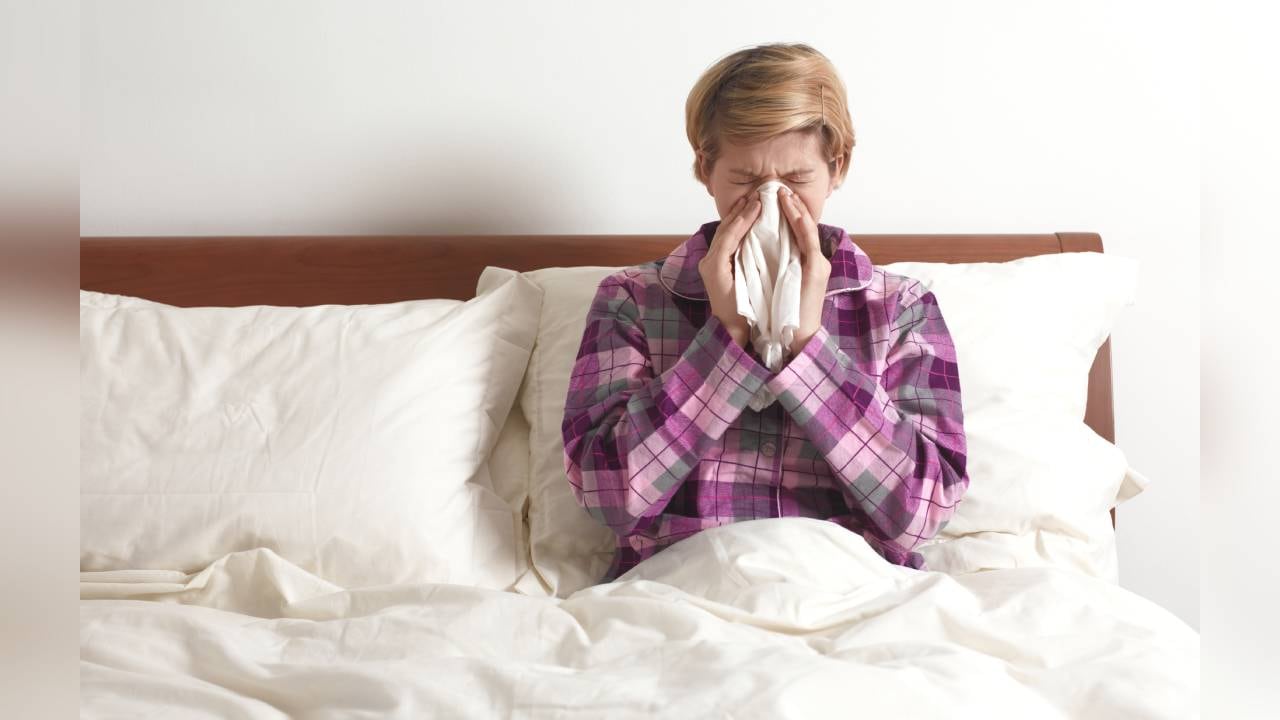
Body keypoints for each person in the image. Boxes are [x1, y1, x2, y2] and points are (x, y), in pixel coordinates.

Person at [561, 42, 969, 584]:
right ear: (706, 169)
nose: (772, 204)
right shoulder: (633, 300)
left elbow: (922, 514)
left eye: (796, 181)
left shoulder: (900, 309)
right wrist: (726, 341)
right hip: (683, 591)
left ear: (837, 167)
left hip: (852, 591)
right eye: (747, 183)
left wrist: (807, 350)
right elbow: (609, 497)